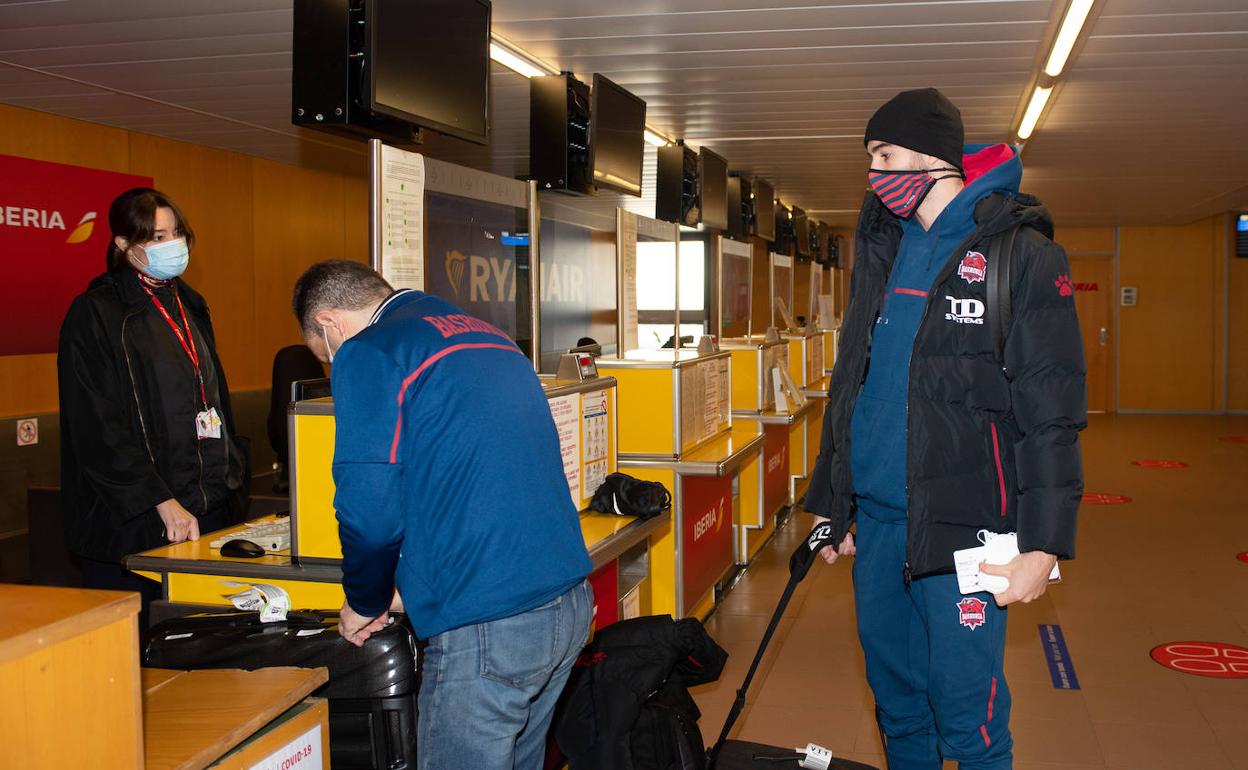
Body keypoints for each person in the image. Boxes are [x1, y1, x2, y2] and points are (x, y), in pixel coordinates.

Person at [805, 88, 1087, 769]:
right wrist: (831, 504)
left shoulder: (1020, 256)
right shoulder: (883, 251)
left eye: (884, 155)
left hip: (965, 531)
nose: (875, 175)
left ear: (931, 157)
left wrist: (1043, 546)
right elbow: (854, 386)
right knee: (898, 707)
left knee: (971, 717)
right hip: (878, 525)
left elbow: (1052, 415)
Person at [290, 260, 593, 770]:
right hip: (566, 605)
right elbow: (475, 482)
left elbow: (369, 510)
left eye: (325, 357)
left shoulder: (370, 351)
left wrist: (365, 600)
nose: (333, 368)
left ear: (328, 323)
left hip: (491, 627)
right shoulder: (487, 336)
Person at [58, 188, 249, 624]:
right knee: (142, 661)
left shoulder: (190, 304)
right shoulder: (96, 314)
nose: (172, 246)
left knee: (207, 646)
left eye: (176, 233)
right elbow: (97, 427)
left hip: (205, 510)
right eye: (157, 236)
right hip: (136, 522)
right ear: (123, 245)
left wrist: (230, 475)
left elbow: (212, 399)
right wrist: (160, 500)